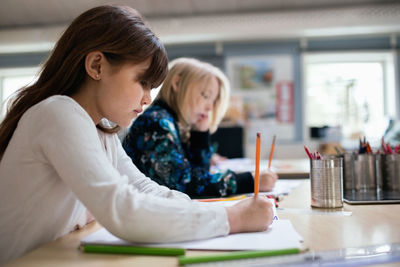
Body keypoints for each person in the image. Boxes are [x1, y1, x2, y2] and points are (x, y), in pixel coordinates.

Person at [0, 5, 274, 264]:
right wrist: (232, 218)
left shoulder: (101, 129)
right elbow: (122, 208)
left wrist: (215, 212)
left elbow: (143, 188)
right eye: (143, 82)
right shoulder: (58, 113)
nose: (147, 98)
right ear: (97, 66)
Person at [122, 58, 278, 197]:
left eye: (213, 100)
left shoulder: (170, 122)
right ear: (177, 84)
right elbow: (187, 184)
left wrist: (200, 133)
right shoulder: (156, 123)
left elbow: (199, 173)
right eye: (205, 96)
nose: (210, 107)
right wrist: (249, 180)